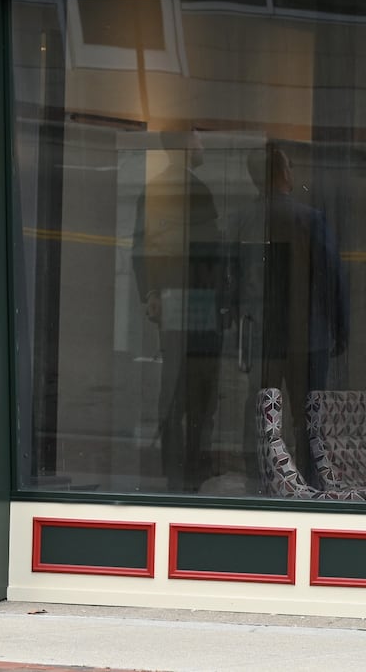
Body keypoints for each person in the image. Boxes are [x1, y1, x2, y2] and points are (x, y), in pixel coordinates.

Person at [230, 143, 348, 492]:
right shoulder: (309, 219)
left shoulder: (242, 219)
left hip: (263, 333)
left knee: (263, 410)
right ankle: (309, 484)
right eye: (290, 167)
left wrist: (236, 319)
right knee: (307, 416)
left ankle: (260, 478)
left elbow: (231, 277)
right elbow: (331, 278)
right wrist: (340, 327)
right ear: (283, 174)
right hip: (307, 336)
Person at [132, 136, 226, 493]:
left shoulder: (154, 189)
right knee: (201, 386)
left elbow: (141, 249)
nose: (203, 144)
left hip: (170, 298)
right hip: (197, 299)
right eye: (198, 137)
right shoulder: (196, 190)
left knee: (173, 385)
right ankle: (193, 470)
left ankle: (174, 469)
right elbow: (209, 254)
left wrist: (152, 293)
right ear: (185, 144)